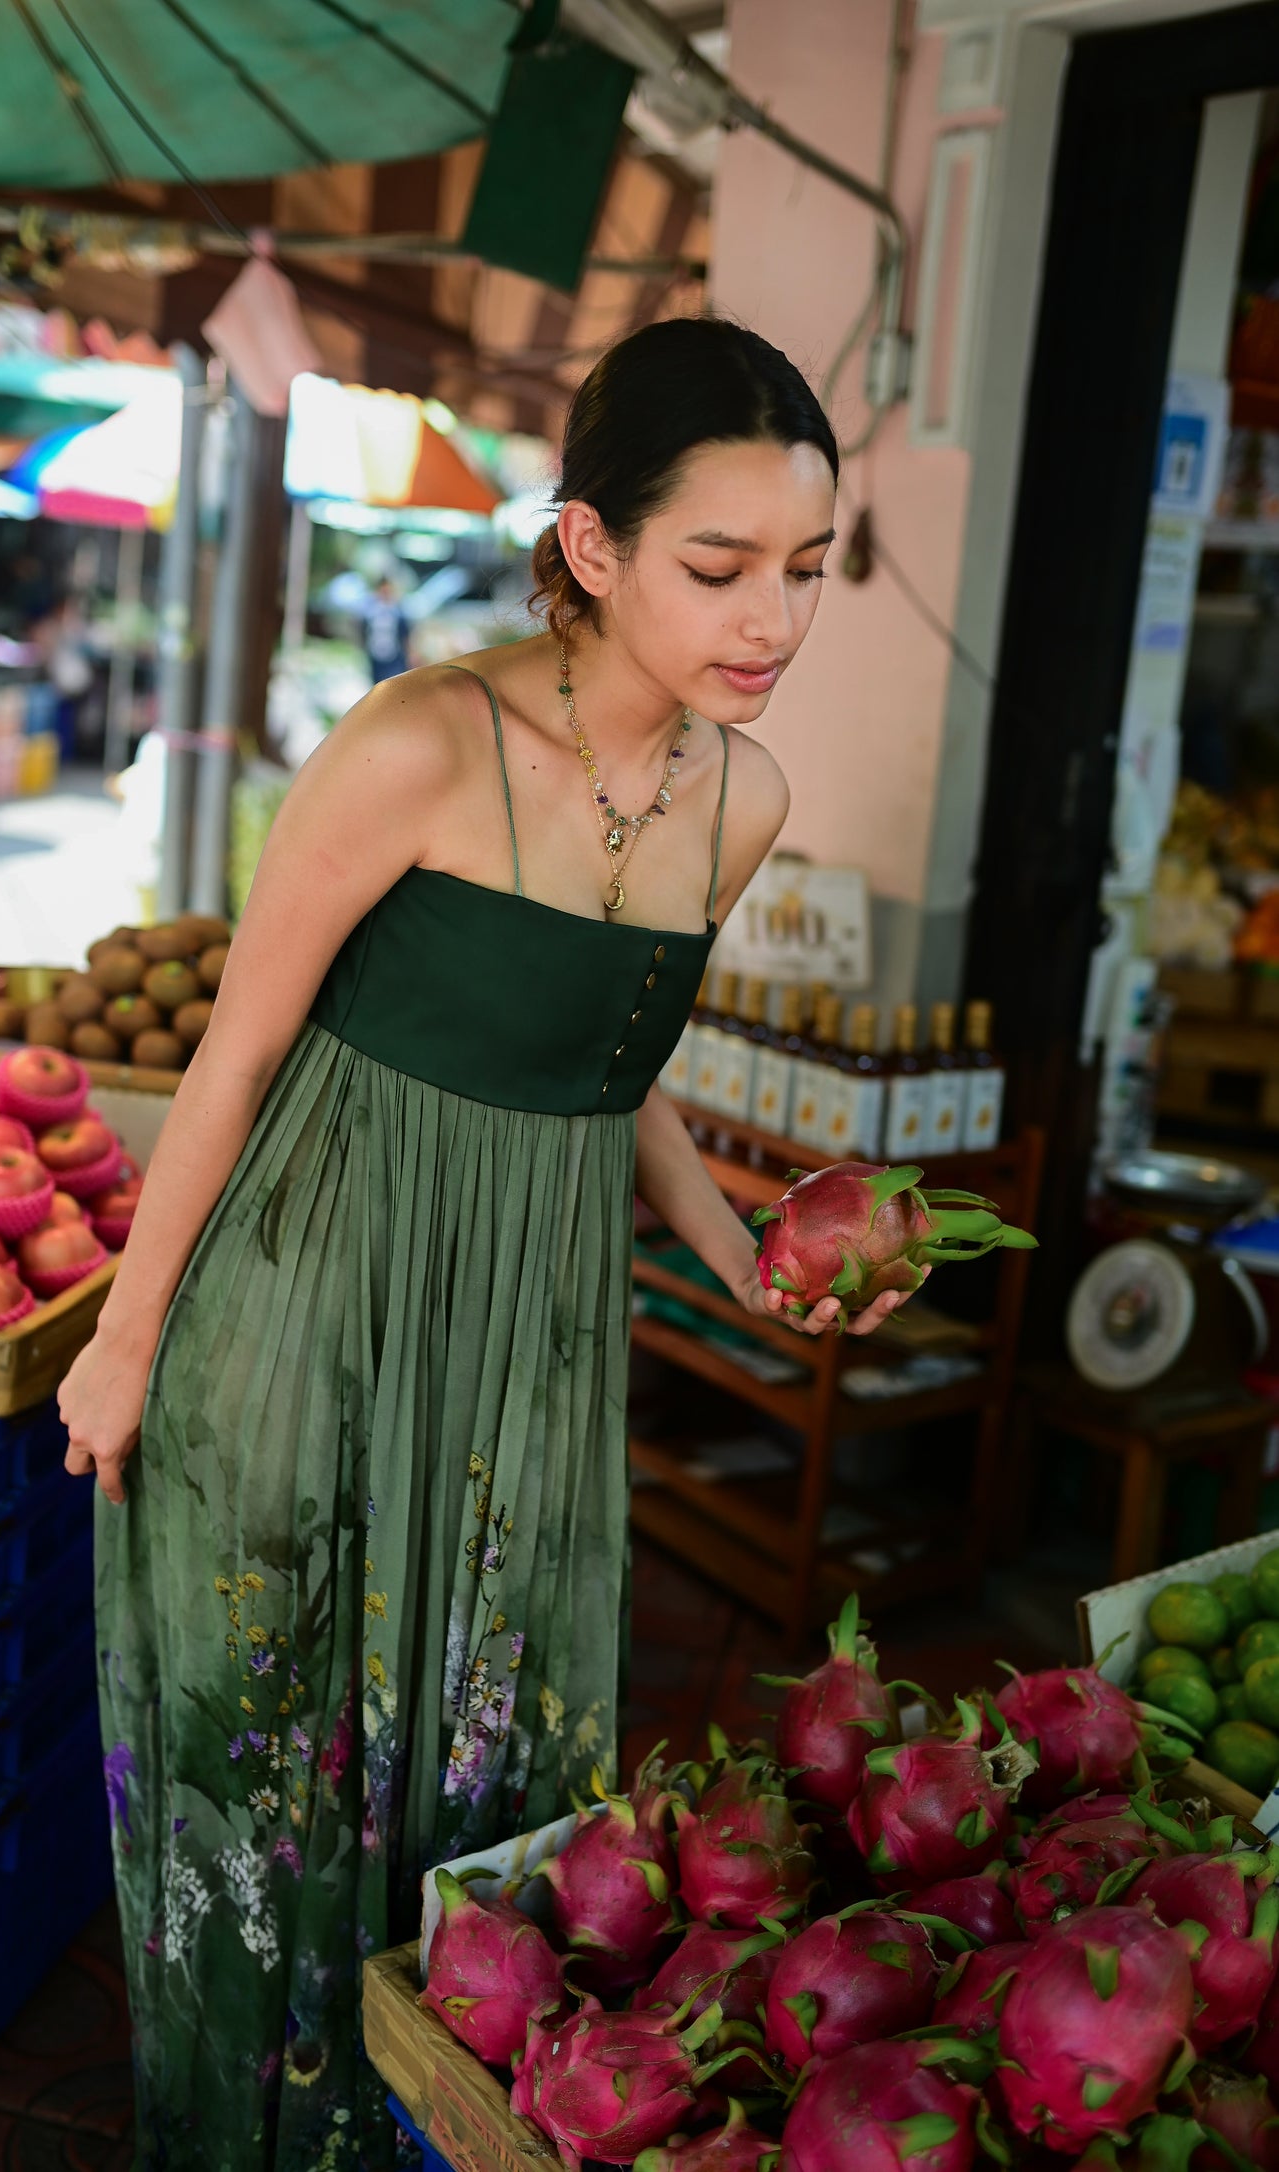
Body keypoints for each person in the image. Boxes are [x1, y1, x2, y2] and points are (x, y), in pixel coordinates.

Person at [59, 315, 922, 2171]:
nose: (769, 619)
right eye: (718, 568)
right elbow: (242, 1042)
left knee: (486, 1750)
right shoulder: (423, 743)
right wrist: (128, 1337)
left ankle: (415, 2127)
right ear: (593, 550)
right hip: (308, 1285)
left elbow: (614, 1065)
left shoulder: (742, 800)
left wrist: (741, 1242)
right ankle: (236, 2136)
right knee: (271, 1736)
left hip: (527, 1327)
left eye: (806, 572)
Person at [361, 573, 410, 683]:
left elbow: (405, 634)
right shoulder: (370, 612)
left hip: (394, 656)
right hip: (376, 655)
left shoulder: (398, 611)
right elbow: (364, 632)